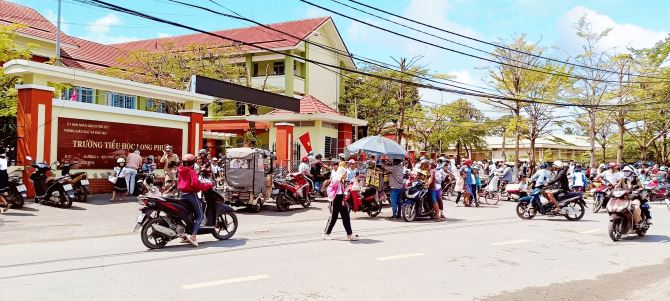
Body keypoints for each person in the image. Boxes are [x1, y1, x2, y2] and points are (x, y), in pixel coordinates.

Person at [178, 154, 214, 247]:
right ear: (192, 163)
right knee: (200, 215)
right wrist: (208, 185)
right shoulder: (191, 171)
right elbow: (195, 184)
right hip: (191, 195)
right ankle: (193, 236)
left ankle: (184, 236)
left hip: (182, 195)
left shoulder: (181, 170)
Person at [324, 159, 358, 241]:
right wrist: (340, 178)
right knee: (333, 217)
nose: (346, 175)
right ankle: (326, 233)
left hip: (341, 198)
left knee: (346, 216)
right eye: (345, 174)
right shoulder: (336, 177)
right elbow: (334, 183)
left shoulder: (341, 179)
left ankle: (349, 234)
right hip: (335, 198)